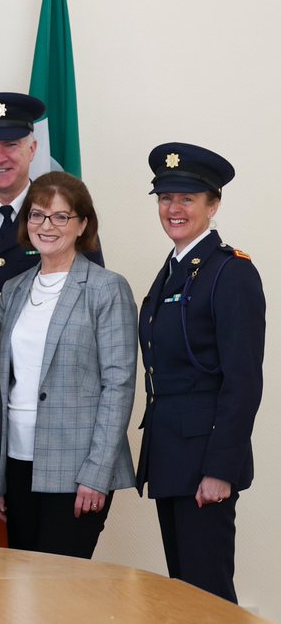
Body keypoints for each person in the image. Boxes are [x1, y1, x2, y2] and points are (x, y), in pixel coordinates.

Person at [0, 172, 137, 559]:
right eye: (37, 215)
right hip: (16, 462)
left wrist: (97, 474)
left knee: (61, 589)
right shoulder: (14, 289)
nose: (46, 226)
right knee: (22, 588)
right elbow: (1, 389)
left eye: (61, 217)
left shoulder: (106, 288)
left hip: (77, 468)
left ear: (83, 224)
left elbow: (119, 386)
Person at [137, 143, 264, 603]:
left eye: (187, 198)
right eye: (166, 197)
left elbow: (243, 380)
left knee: (208, 596)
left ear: (213, 205)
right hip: (172, 457)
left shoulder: (230, 273)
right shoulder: (174, 270)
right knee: (184, 596)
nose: (174, 208)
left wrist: (220, 470)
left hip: (204, 463)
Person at [0, 92, 102, 330]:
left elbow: (94, 302)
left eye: (11, 145)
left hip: (43, 366)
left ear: (33, 149)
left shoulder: (68, 219)